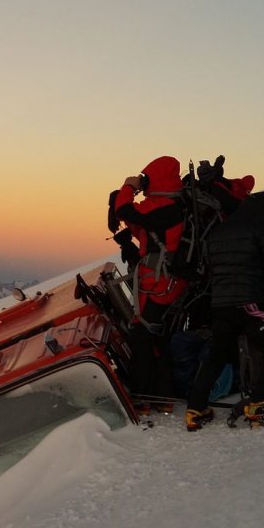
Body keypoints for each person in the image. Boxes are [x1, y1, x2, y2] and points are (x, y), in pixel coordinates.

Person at [185, 192, 264, 430]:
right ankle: (260, 401)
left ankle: (195, 408)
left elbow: (211, 271)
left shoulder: (219, 230)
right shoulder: (262, 227)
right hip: (251, 303)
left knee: (217, 355)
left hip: (220, 305)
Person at [110, 156, 188, 406]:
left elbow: (126, 210)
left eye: (146, 178)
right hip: (164, 282)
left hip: (160, 285)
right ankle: (160, 392)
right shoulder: (170, 206)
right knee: (153, 336)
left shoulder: (164, 206)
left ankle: (148, 396)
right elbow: (147, 229)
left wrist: (128, 186)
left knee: (143, 336)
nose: (143, 182)